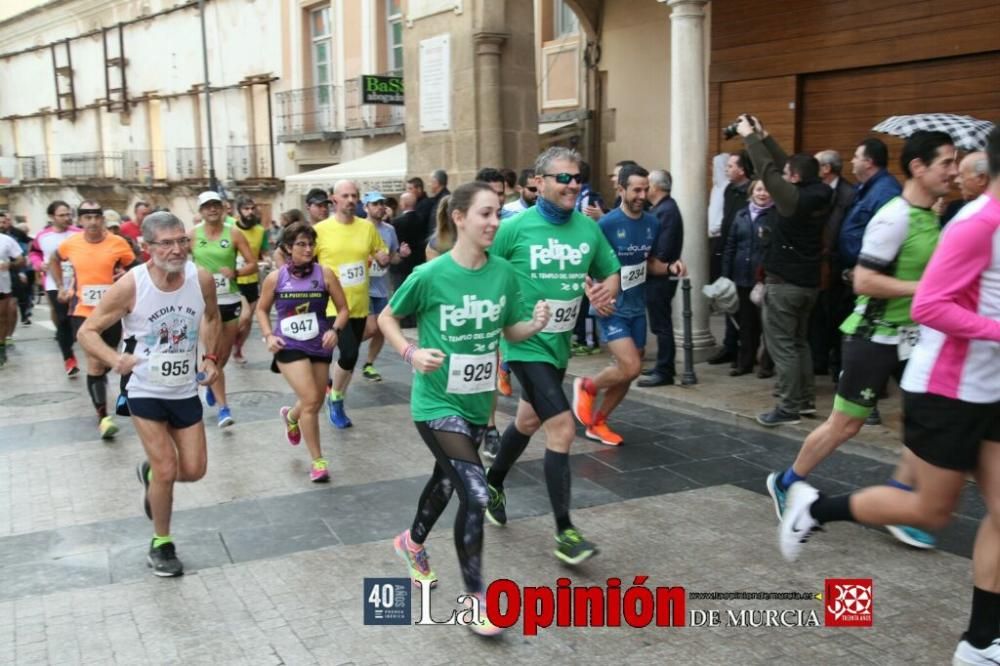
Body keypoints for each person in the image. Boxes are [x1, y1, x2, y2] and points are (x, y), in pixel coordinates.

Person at [779, 126, 1000, 666]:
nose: (951, 171)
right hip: (945, 384)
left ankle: (980, 642)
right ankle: (813, 506)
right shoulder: (974, 222)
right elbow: (928, 305)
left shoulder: (947, 217)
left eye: (956, 162)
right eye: (942, 162)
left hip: (989, 386)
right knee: (929, 511)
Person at [767, 130, 958, 550]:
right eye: (946, 162)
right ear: (918, 167)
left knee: (921, 423)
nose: (954, 170)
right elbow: (865, 281)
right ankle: (785, 481)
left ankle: (900, 504)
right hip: (874, 336)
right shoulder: (895, 216)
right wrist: (925, 289)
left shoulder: (932, 215)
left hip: (916, 339)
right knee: (845, 425)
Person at [378, 181, 550, 636]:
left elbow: (508, 330)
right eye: (486, 214)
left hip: (476, 405)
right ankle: (476, 600)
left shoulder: (502, 274)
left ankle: (411, 542)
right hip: (435, 403)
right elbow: (387, 317)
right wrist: (410, 353)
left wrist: (532, 325)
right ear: (458, 218)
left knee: (447, 481)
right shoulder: (430, 275)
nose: (495, 222)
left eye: (498, 214)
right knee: (474, 492)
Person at [485, 146, 621, 565]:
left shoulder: (587, 230)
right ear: (539, 183)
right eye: (563, 178)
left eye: (577, 177)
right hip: (524, 343)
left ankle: (492, 484)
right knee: (561, 427)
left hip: (558, 345)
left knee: (526, 421)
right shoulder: (515, 227)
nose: (573, 184)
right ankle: (565, 532)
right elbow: (485, 268)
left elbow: (609, 270)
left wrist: (607, 290)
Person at [77, 211, 221, 577]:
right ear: (147, 247)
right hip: (144, 389)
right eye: (167, 243)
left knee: (194, 469)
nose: (177, 249)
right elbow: (87, 331)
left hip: (184, 388)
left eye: (181, 241)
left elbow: (213, 317)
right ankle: (161, 543)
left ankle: (151, 476)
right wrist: (115, 359)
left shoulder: (199, 277)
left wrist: (210, 356)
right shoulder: (132, 285)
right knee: (168, 467)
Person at [572, 164, 678, 445]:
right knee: (631, 367)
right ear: (620, 190)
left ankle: (598, 422)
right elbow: (583, 264)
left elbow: (649, 263)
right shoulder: (606, 225)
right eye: (636, 189)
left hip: (636, 306)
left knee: (628, 373)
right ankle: (587, 385)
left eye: (646, 189)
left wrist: (669, 268)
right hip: (611, 307)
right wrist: (592, 293)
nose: (642, 195)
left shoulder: (652, 223)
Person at [736, 115, 831, 427]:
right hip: (808, 285)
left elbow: (768, 171)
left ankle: (788, 407)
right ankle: (803, 401)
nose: (784, 173)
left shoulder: (791, 201)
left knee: (783, 347)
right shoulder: (818, 192)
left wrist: (750, 139)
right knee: (799, 342)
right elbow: (787, 167)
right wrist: (765, 137)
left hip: (785, 285)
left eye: (788, 173)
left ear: (793, 178)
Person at [256, 222, 349, 482]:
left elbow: (343, 309)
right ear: (287, 247)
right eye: (301, 244)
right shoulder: (276, 278)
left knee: (315, 400)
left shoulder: (325, 274)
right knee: (310, 398)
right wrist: (268, 336)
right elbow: (261, 309)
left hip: (319, 342)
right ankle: (318, 461)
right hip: (288, 344)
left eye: (311, 244)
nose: (308, 249)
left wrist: (336, 331)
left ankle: (291, 416)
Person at [50, 201, 137, 439]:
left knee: (107, 359)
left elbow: (136, 267)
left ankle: (110, 389)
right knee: (95, 362)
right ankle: (103, 417)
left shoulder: (118, 243)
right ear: (80, 221)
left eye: (96, 216)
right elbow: (53, 259)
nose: (92, 221)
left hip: (112, 312)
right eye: (86, 217)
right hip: (83, 312)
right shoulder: (71, 244)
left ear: (102, 219)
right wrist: (61, 287)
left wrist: (124, 275)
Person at [314, 179, 389, 428]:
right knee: (349, 353)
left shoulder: (367, 228)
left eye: (354, 195)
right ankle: (335, 399)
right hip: (332, 306)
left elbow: (381, 254)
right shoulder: (321, 230)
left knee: (350, 356)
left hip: (359, 304)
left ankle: (335, 393)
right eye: (345, 195)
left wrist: (384, 256)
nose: (350, 200)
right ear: (334, 199)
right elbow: (303, 258)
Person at [189, 190, 259, 428]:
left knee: (222, 356)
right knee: (212, 354)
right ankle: (223, 408)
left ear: (223, 208)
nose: (212, 209)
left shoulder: (234, 233)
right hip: (204, 303)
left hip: (228, 299)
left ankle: (212, 381)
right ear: (200, 211)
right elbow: (177, 263)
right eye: (207, 206)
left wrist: (237, 272)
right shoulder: (192, 235)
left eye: (216, 205)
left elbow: (253, 264)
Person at [722, 179, 773, 376]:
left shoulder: (774, 215)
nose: (763, 193)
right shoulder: (741, 215)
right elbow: (731, 246)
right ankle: (745, 362)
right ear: (752, 192)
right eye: (759, 189)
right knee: (746, 324)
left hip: (764, 278)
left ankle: (767, 365)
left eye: (767, 190)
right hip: (741, 275)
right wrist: (726, 275)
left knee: (766, 323)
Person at [639, 169, 685, 387]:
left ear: (655, 187)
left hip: (660, 275)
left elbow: (663, 249)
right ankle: (661, 365)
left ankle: (665, 370)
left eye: (647, 185)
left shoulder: (667, 210)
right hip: (655, 274)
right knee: (658, 323)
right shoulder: (661, 209)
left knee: (662, 324)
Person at [708, 151, 753, 365]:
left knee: (745, 308)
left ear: (742, 169)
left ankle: (746, 350)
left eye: (731, 166)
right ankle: (729, 345)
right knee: (728, 300)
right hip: (727, 249)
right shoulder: (728, 190)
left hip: (745, 254)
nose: (727, 169)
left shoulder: (751, 191)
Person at [361, 191, 409, 381]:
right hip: (362, 287)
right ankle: (345, 344)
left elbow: (393, 258)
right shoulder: (359, 228)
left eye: (382, 203)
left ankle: (369, 364)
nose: (380, 207)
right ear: (366, 207)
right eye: (375, 204)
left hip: (381, 286)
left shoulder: (389, 230)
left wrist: (402, 255)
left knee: (381, 328)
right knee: (372, 328)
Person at [32, 201, 81, 376]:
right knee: (62, 320)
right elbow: (34, 253)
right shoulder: (43, 236)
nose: (67, 218)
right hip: (54, 284)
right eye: (62, 215)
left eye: (69, 214)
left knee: (78, 321)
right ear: (52, 217)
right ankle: (69, 358)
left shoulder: (78, 233)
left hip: (78, 283)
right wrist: (39, 265)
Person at [232, 196, 271, 364]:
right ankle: (230, 338)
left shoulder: (260, 230)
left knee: (247, 323)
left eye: (251, 208)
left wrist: (268, 259)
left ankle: (238, 349)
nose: (249, 212)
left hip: (253, 280)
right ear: (239, 211)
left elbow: (264, 252)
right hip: (235, 280)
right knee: (245, 316)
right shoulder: (231, 229)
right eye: (245, 209)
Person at [941, 151, 989, 226]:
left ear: (981, 179)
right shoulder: (953, 208)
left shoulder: (992, 215)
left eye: (961, 176)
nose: (956, 181)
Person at [0, 227, 25, 366]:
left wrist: (9, 264)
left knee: (2, 318)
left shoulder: (5, 240)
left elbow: (21, 260)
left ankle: (1, 347)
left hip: (2, 285)